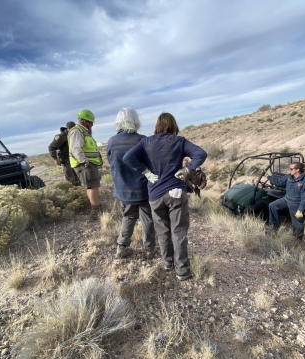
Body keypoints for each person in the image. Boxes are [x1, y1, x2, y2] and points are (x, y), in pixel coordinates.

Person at [123, 112, 207, 281]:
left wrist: (145, 172)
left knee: (162, 231)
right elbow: (201, 153)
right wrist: (188, 169)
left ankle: (168, 263)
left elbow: (127, 157)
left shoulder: (146, 142)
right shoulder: (179, 141)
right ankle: (182, 271)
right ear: (173, 125)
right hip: (176, 192)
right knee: (179, 231)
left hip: (155, 194)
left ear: (158, 125)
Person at [107, 108, 156, 259]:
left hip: (123, 190)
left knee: (128, 216)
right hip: (143, 190)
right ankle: (149, 250)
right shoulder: (143, 140)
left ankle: (122, 248)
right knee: (147, 218)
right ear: (135, 121)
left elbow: (111, 163)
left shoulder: (112, 141)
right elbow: (152, 164)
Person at [68, 109, 103, 220]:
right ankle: (95, 211)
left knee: (91, 186)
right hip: (84, 164)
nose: (92, 125)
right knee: (93, 186)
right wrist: (85, 161)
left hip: (86, 164)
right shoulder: (77, 131)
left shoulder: (82, 131)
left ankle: (96, 206)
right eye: (91, 123)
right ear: (86, 121)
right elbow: (76, 148)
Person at [267, 162, 305, 240]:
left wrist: (301, 210)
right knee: (272, 205)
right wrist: (269, 177)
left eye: (291, 169)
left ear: (298, 170)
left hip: (296, 203)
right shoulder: (289, 177)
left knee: (297, 222)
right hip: (286, 199)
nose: (289, 170)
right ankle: (273, 227)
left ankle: (297, 239)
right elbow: (278, 182)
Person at [48, 121, 81, 186]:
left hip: (75, 160)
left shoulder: (73, 135)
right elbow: (51, 147)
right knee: (71, 180)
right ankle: (73, 194)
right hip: (66, 161)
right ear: (68, 128)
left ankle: (79, 193)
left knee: (78, 178)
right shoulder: (62, 136)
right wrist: (55, 159)